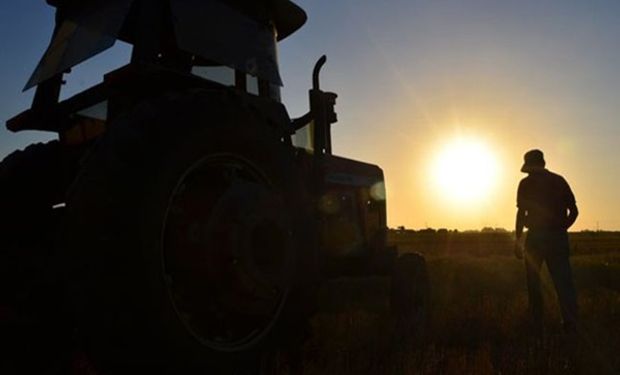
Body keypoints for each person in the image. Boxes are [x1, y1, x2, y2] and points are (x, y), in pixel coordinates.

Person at [514, 149, 579, 335]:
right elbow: (574, 211)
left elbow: (521, 214)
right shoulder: (559, 180)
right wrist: (561, 228)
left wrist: (518, 240)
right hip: (556, 238)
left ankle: (536, 322)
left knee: (533, 282)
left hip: (535, 238)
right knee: (563, 282)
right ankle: (570, 324)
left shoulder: (525, 184)